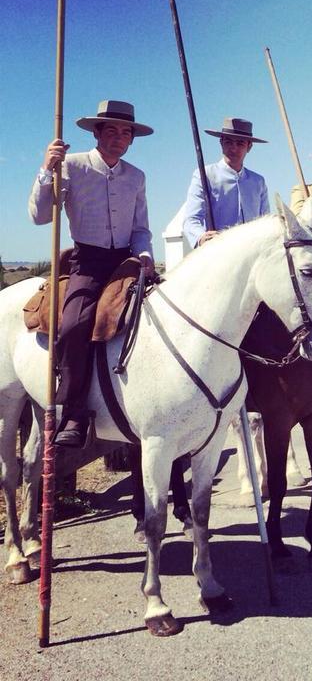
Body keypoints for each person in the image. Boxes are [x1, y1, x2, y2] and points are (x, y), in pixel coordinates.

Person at [28, 100, 155, 448]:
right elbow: (40, 216)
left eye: (125, 132)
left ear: (131, 139)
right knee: (73, 326)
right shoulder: (71, 166)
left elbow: (141, 228)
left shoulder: (137, 177)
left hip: (126, 262)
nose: (118, 137)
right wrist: (46, 170)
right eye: (111, 130)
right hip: (88, 262)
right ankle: (73, 410)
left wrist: (145, 255)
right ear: (97, 133)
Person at [182, 117, 269, 248]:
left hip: (252, 253)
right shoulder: (204, 175)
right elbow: (191, 219)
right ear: (221, 143)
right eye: (228, 142)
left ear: (249, 146)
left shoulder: (258, 182)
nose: (233, 148)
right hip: (218, 254)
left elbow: (265, 222)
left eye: (240, 143)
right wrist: (201, 237)